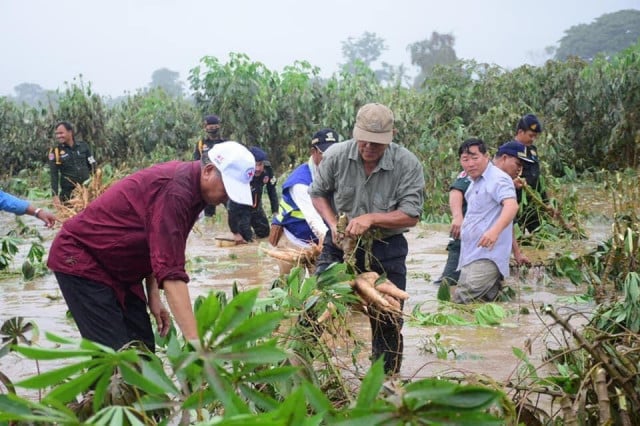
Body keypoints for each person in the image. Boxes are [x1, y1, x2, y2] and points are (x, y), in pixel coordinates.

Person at [47, 141, 256, 352]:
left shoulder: (194, 191)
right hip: (82, 259)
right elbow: (172, 274)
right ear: (209, 171)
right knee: (116, 360)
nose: (228, 197)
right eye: (227, 188)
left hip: (122, 270)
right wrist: (197, 347)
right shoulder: (177, 192)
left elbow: (159, 247)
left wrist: (153, 296)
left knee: (143, 351)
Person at [310, 103, 425, 375]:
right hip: (340, 246)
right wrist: (331, 224)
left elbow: (411, 214)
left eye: (377, 143)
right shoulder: (336, 156)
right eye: (364, 140)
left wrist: (372, 218)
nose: (369, 148)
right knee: (314, 304)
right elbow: (318, 194)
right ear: (355, 132)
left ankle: (385, 384)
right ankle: (298, 366)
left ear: (391, 136)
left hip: (387, 247)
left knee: (388, 317)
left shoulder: (407, 163)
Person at [453, 139, 533, 304]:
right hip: (472, 254)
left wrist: (493, 232)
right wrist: (517, 253)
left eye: (475, 158)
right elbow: (505, 220)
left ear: (486, 157)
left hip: (486, 256)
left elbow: (511, 207)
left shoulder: (498, 179)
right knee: (483, 307)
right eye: (465, 159)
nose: (470, 164)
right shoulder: (475, 181)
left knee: (462, 301)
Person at [270, 128, 338, 274]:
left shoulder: (338, 173)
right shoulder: (300, 182)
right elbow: (314, 220)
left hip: (320, 241)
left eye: (335, 153)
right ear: (313, 152)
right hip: (294, 242)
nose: (331, 159)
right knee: (290, 290)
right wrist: (337, 243)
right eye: (325, 154)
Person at [228, 146, 278, 244]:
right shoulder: (240, 173)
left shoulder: (268, 170)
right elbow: (231, 206)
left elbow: (272, 191)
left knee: (264, 234)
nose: (258, 169)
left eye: (260, 164)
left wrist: (275, 212)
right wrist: (235, 232)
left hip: (256, 206)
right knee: (247, 240)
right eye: (255, 165)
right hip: (241, 207)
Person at [509, 114, 549, 233]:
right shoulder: (509, 151)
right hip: (516, 204)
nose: (532, 139)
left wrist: (545, 203)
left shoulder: (532, 151)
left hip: (532, 204)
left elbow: (537, 179)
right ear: (520, 132)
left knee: (540, 237)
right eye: (530, 135)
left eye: (535, 137)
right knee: (518, 239)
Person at [49, 121, 96, 206]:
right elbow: (54, 175)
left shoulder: (83, 146)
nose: (58, 136)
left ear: (70, 132)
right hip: (69, 196)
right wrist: (55, 195)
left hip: (87, 192)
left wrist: (96, 182)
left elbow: (92, 163)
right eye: (57, 134)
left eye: (61, 133)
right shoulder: (55, 151)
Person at [193, 114, 227, 217]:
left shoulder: (225, 143)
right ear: (205, 128)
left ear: (219, 127)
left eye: (214, 127)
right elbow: (196, 162)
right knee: (209, 215)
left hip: (224, 181)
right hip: (208, 183)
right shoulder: (200, 144)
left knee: (232, 209)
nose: (212, 129)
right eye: (210, 127)